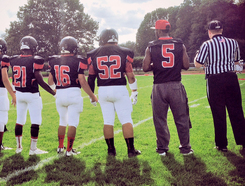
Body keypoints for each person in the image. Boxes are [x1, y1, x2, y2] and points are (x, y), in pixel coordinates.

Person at [87, 28, 141, 158]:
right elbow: (130, 75)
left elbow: (91, 77)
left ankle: (111, 150)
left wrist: (91, 95)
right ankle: (130, 150)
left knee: (108, 121)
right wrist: (134, 90)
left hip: (103, 91)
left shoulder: (93, 54)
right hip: (119, 89)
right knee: (126, 120)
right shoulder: (124, 52)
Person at [142, 19, 193, 156]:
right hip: (176, 85)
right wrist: (175, 64)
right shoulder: (180, 45)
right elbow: (187, 65)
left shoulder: (151, 47)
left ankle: (162, 148)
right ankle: (185, 148)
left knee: (160, 119)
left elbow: (145, 67)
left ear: (158, 30)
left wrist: (157, 65)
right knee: (181, 118)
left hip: (159, 87)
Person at [194, 20, 245, 152]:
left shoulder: (207, 44)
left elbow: (198, 64)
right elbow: (237, 63)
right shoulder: (233, 42)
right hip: (231, 78)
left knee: (218, 113)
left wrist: (197, 56)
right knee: (237, 111)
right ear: (221, 30)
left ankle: (222, 145)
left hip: (215, 80)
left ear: (209, 32)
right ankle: (243, 141)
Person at [48, 36, 98, 157]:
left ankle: (60, 147)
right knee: (73, 122)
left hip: (60, 93)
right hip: (73, 93)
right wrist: (92, 96)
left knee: (62, 121)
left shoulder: (54, 60)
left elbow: (50, 81)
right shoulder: (78, 60)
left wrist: (57, 89)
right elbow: (82, 80)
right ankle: (69, 150)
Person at [10, 36, 56, 155]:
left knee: (20, 120)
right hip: (32, 94)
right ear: (33, 47)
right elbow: (40, 80)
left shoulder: (14, 59)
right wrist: (53, 92)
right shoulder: (35, 60)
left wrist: (13, 93)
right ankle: (33, 149)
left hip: (19, 93)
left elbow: (15, 78)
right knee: (36, 120)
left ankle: (19, 148)